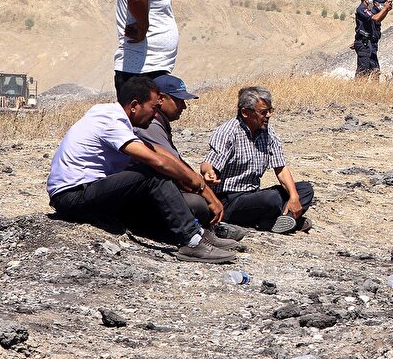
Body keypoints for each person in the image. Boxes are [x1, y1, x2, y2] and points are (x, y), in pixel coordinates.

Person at [47, 76, 234, 263]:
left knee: (151, 194)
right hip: (72, 196)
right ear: (135, 105)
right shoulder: (110, 120)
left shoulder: (114, 118)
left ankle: (198, 233)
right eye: (153, 108)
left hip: (87, 192)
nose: (155, 114)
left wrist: (195, 180)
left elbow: (156, 151)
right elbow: (157, 161)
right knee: (152, 175)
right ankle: (192, 242)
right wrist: (196, 183)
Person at [134, 74, 248, 242]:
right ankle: (197, 235)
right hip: (147, 194)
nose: (184, 107)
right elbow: (173, 168)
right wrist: (206, 194)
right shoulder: (150, 125)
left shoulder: (159, 122)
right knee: (197, 204)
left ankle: (205, 230)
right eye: (179, 100)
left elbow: (177, 163)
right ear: (160, 99)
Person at [201, 86, 315, 233]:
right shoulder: (228, 133)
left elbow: (280, 168)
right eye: (263, 112)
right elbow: (209, 164)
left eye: (270, 110)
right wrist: (208, 172)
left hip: (253, 194)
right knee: (272, 199)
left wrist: (294, 197)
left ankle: (276, 220)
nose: (268, 115)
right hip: (229, 199)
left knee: (304, 189)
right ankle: (283, 219)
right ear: (245, 113)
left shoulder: (268, 132)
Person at [353, 0, 392, 78]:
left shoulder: (367, 9)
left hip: (368, 42)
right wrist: (385, 8)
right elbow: (375, 18)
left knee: (374, 69)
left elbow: (378, 19)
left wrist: (386, 10)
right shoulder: (361, 9)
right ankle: (356, 89)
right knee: (363, 70)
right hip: (363, 42)